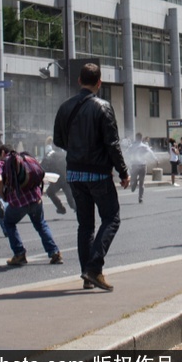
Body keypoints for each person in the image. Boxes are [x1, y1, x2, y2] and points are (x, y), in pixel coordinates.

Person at [53, 62, 130, 291]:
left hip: (74, 173)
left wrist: (76, 148)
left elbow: (58, 141)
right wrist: (123, 172)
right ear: (99, 82)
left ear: (79, 81)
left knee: (85, 225)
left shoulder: (65, 107)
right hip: (98, 174)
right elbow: (112, 144)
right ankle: (94, 268)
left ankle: (87, 275)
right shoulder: (103, 107)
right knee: (112, 218)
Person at [0, 145, 63, 266]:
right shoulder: (26, 157)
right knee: (41, 224)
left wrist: (3, 195)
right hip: (35, 199)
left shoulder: (2, 163)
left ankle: (19, 253)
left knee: (8, 223)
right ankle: (55, 253)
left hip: (18, 202)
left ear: (3, 152)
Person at [41, 137, 76, 214]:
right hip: (67, 179)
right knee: (71, 200)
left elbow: (43, 166)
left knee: (50, 192)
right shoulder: (66, 153)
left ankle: (61, 208)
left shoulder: (50, 154)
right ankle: (80, 211)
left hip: (56, 180)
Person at [128, 132, 159, 203]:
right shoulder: (144, 146)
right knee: (142, 183)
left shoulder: (132, 146)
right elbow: (151, 153)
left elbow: (127, 154)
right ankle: (140, 198)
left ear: (136, 138)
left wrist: (128, 162)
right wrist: (156, 159)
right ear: (141, 138)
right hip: (142, 165)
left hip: (135, 165)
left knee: (133, 179)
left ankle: (134, 184)